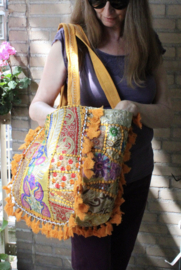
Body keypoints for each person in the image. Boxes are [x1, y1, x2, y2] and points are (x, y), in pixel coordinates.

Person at [29, 0, 173, 269]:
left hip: (136, 175)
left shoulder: (147, 43)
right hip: (86, 183)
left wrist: (134, 108)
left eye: (118, 2)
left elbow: (166, 113)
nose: (107, 12)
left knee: (117, 262)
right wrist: (80, 121)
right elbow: (37, 107)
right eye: (97, 1)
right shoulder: (71, 41)